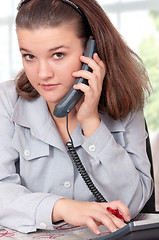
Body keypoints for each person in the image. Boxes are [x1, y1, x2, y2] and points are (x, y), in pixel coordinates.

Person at [0, 0, 153, 235]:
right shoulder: (7, 101)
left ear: (91, 50)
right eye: (29, 56)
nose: (42, 74)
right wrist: (62, 208)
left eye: (58, 55)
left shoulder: (126, 104)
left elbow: (131, 205)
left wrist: (91, 122)